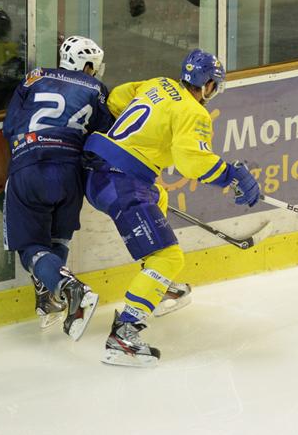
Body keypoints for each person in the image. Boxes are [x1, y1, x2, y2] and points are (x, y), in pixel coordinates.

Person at [83, 48, 261, 366]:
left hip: (99, 171)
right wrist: (231, 176)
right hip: (122, 182)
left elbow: (117, 100)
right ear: (207, 85)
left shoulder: (158, 83)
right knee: (168, 256)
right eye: (214, 85)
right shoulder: (195, 113)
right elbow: (191, 161)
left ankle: (157, 286)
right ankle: (123, 335)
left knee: (159, 198)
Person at [2, 35, 113, 340]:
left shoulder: (34, 77)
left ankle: (68, 287)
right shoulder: (98, 90)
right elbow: (105, 136)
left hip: (30, 163)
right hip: (69, 172)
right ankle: (49, 297)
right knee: (58, 239)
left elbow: (9, 127)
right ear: (87, 65)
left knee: (30, 247)